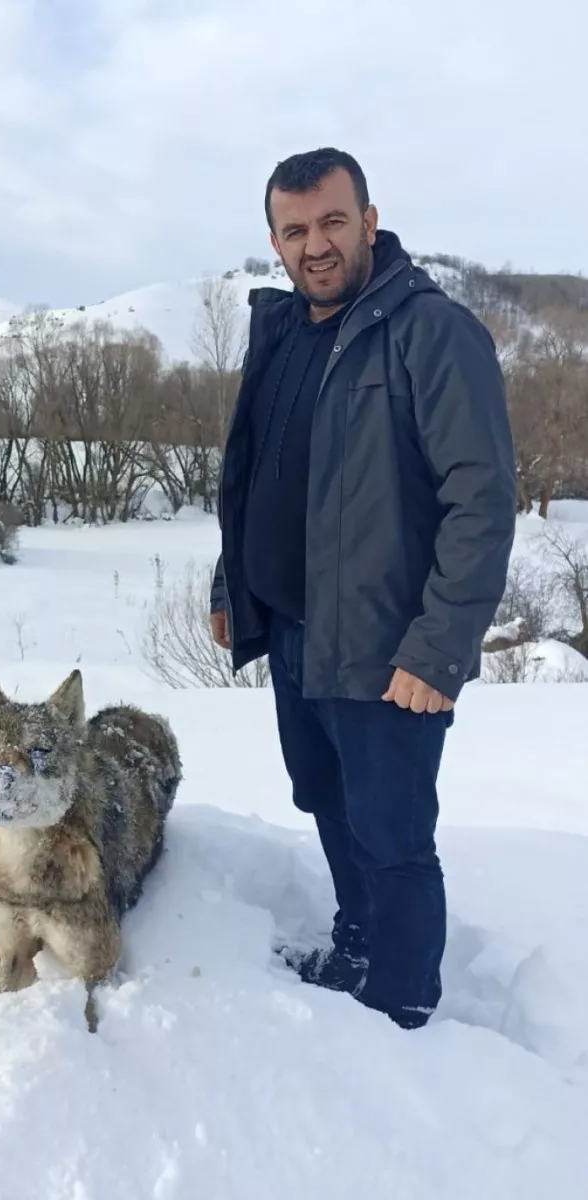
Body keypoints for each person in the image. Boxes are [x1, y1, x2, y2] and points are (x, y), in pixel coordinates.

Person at [209, 148, 516, 1029]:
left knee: (394, 840)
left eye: (333, 222)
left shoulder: (430, 331)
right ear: (275, 241)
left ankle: (401, 1008)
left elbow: (482, 501)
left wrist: (439, 649)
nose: (317, 244)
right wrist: (235, 582)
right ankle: (358, 945)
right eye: (296, 229)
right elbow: (257, 477)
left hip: (391, 648)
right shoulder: (281, 334)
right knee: (327, 803)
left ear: (369, 222)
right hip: (300, 632)